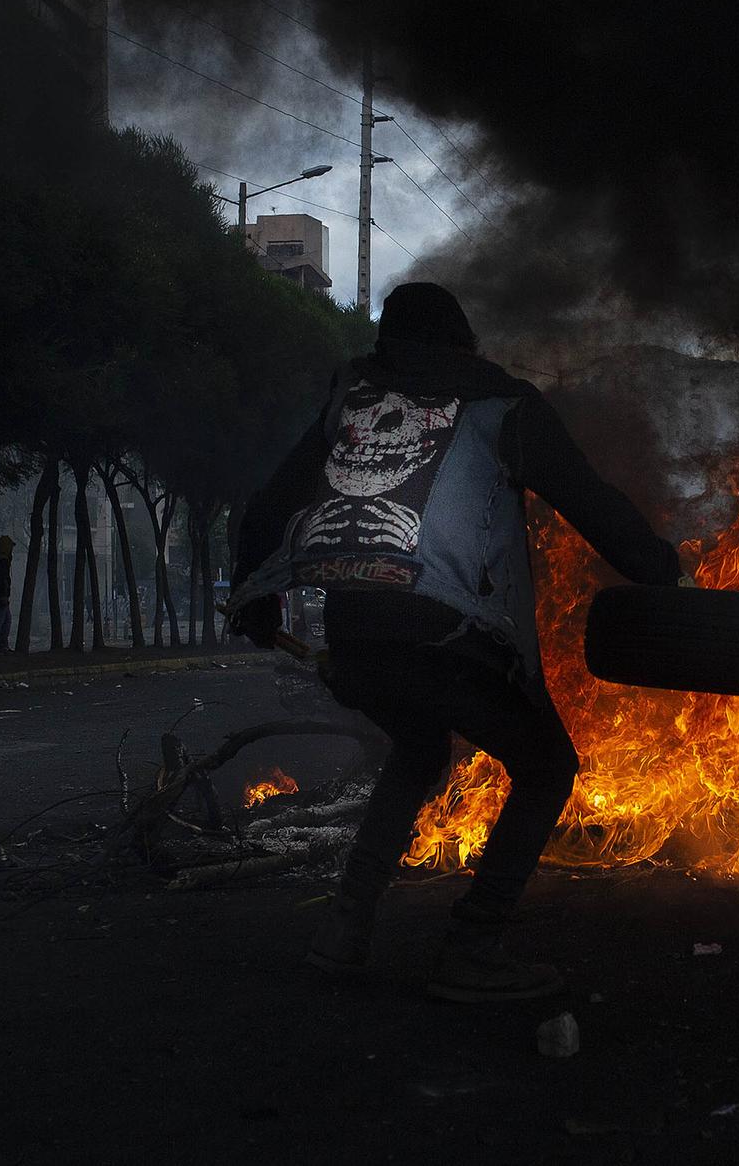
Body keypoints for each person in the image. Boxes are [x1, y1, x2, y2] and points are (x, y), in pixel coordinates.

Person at [226, 282, 681, 1002]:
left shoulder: (351, 398)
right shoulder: (501, 404)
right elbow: (590, 501)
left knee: (418, 748)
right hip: (435, 623)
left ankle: (343, 930)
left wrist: (246, 590)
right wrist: (661, 570)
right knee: (546, 766)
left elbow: (271, 504)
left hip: (341, 626)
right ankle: (473, 945)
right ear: (462, 344)